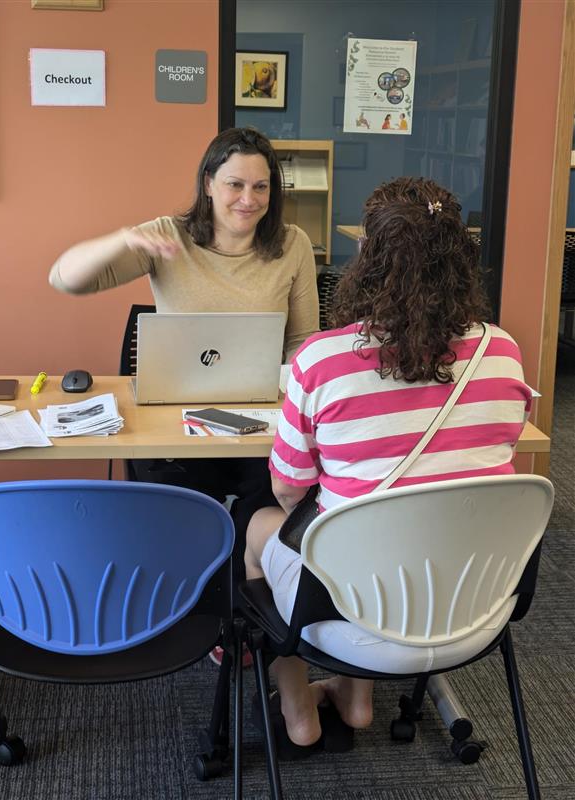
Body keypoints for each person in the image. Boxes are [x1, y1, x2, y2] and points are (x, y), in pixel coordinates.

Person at [244, 176, 532, 750]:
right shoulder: (503, 352)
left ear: (366, 259)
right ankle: (355, 698)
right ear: (460, 260)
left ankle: (298, 702)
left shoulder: (322, 362)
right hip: (473, 607)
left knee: (256, 525)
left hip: (358, 614)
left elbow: (287, 492)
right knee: (377, 531)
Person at [49, 126, 319, 588]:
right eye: (235, 184)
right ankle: (196, 601)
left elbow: (302, 343)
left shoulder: (292, 244)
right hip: (178, 423)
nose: (248, 199)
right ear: (209, 183)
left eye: (261, 187)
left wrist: (290, 399)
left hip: (259, 422)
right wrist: (123, 240)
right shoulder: (168, 236)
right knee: (181, 507)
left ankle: (244, 604)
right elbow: (65, 279)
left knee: (273, 498)